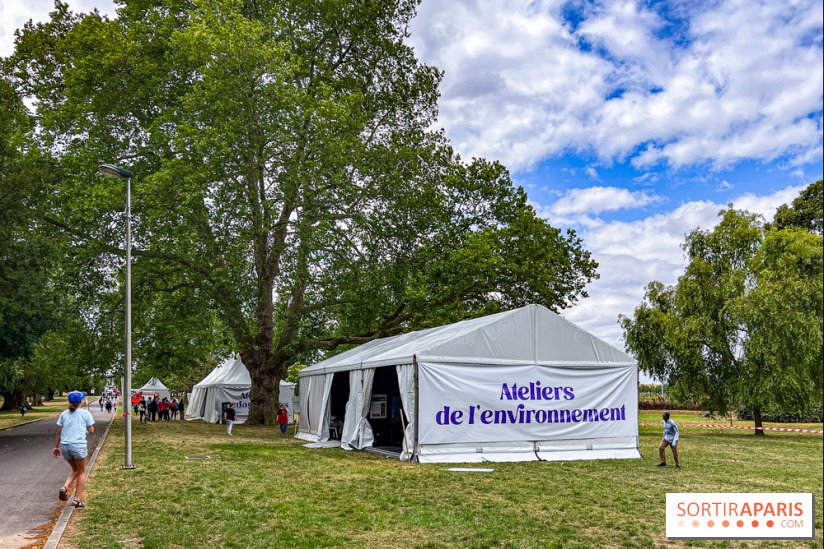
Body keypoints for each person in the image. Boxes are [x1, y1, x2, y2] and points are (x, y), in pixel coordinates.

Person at [53, 391, 95, 509]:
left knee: (75, 470)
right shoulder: (85, 413)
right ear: (82, 401)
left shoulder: (64, 414)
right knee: (82, 472)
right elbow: (91, 430)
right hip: (78, 446)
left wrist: (56, 447)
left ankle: (64, 487)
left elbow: (59, 431)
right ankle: (77, 500)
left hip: (65, 446)